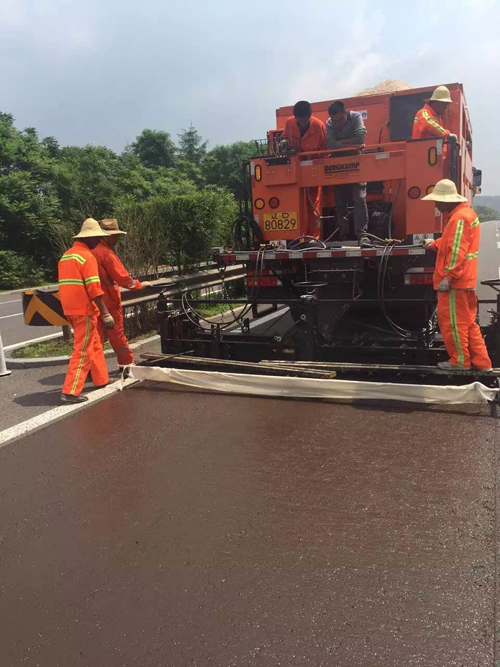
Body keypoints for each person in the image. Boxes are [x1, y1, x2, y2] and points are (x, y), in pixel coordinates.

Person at [421, 179, 492, 372]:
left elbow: (457, 250)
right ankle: (482, 363)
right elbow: (450, 242)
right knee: (468, 323)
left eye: (438, 201)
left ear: (447, 200)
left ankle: (459, 361)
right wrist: (433, 244)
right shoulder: (464, 215)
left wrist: (449, 277)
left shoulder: (458, 218)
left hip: (456, 283)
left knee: (453, 323)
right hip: (465, 281)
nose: (436, 205)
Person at [58, 218, 115, 404]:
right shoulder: (87, 257)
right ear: (88, 238)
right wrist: (105, 313)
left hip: (70, 308)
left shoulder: (67, 256)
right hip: (84, 309)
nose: (98, 241)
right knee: (82, 350)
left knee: (95, 343)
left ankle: (101, 379)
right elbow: (94, 289)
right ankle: (70, 391)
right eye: (96, 237)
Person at [91, 218, 153, 369]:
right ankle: (126, 364)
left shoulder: (89, 251)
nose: (117, 239)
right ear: (106, 236)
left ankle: (94, 368)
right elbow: (122, 278)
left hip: (92, 301)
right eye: (115, 236)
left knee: (95, 337)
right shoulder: (106, 253)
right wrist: (139, 285)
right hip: (109, 301)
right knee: (117, 335)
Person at [326, 101, 369, 244]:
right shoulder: (329, 124)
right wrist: (353, 144)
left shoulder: (356, 117)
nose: (337, 124)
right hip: (338, 166)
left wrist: (341, 143)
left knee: (360, 198)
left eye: (340, 119)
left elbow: (361, 138)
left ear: (346, 112)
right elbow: (331, 144)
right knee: (339, 202)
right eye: (335, 121)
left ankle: (362, 235)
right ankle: (343, 234)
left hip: (357, 164)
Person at [282, 101, 326, 238]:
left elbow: (325, 150)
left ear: (309, 116)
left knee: (313, 204)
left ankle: (313, 237)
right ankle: (294, 237)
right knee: (293, 203)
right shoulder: (289, 123)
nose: (301, 123)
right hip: (294, 170)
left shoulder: (318, 126)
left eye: (304, 120)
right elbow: (284, 142)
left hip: (313, 170)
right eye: (298, 120)